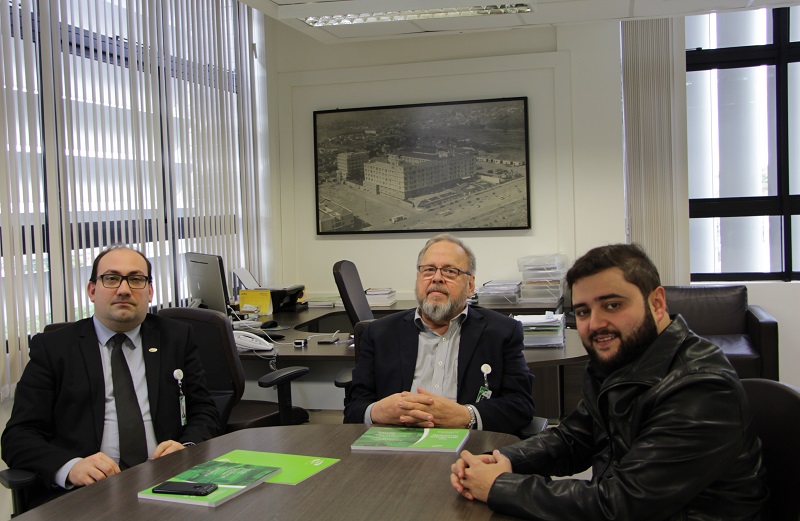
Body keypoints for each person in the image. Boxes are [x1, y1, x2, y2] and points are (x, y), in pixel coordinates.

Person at [450, 243, 767, 520]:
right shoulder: (620, 361)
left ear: (657, 303)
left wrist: (500, 486)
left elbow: (623, 504)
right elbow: (573, 440)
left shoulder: (700, 387)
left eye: (612, 305)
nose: (595, 324)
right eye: (583, 311)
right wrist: (505, 459)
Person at [2, 246, 219, 506]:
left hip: (167, 483)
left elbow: (203, 409)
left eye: (136, 279)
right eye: (111, 278)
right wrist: (70, 467)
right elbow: (18, 436)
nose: (124, 289)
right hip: (88, 492)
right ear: (92, 290)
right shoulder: (54, 348)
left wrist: (187, 447)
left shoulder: (176, 337)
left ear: (150, 291)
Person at [343, 233, 535, 435]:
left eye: (450, 271)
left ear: (470, 286)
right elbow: (354, 410)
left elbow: (521, 405)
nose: (436, 278)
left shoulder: (502, 332)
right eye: (428, 270)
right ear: (418, 279)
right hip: (395, 444)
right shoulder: (379, 333)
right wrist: (377, 412)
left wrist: (466, 415)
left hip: (468, 445)